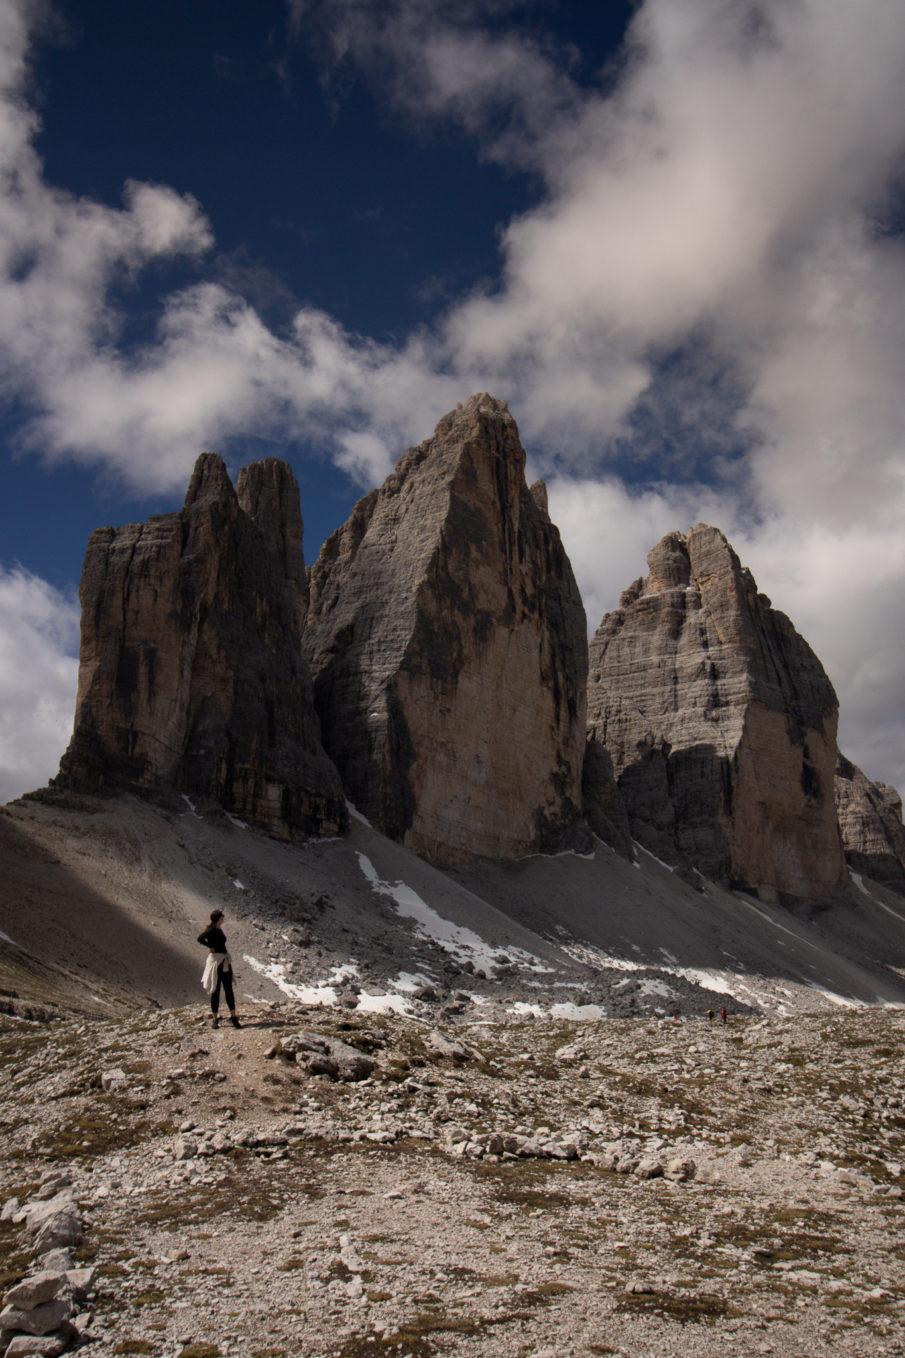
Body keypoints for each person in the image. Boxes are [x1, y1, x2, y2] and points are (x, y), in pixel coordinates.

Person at [197, 909, 241, 1029]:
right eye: (222, 917)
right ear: (218, 918)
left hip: (223, 961)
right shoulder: (211, 930)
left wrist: (212, 947)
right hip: (217, 962)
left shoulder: (217, 929)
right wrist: (211, 946)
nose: (223, 918)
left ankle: (232, 1016)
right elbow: (200, 938)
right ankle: (216, 1018)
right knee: (216, 990)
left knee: (228, 989)